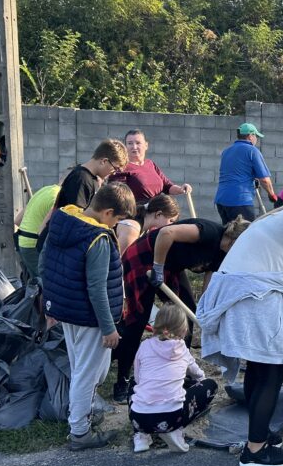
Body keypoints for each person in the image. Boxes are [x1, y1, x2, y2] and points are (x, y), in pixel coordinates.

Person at [196, 184, 283, 466]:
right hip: (252, 296)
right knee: (272, 369)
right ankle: (254, 453)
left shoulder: (272, 222)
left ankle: (259, 435)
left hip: (243, 295)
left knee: (259, 367)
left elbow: (272, 273)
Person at [41, 182, 136, 450]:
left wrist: (50, 306)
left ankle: (81, 414)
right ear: (107, 212)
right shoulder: (98, 238)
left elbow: (45, 263)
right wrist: (108, 328)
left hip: (68, 311)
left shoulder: (65, 218)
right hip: (90, 317)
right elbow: (97, 288)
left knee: (82, 368)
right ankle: (80, 432)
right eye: (118, 219)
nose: (117, 225)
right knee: (87, 373)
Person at [114, 212, 246, 402]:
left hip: (170, 265)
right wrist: (158, 267)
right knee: (137, 320)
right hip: (144, 257)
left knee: (185, 313)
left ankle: (177, 371)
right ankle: (122, 382)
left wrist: (203, 308)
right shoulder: (208, 232)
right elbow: (166, 233)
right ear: (234, 239)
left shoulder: (222, 253)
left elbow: (209, 278)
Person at [129, 303, 219, 454]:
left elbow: (138, 379)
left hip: (140, 418)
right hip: (173, 416)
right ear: (184, 331)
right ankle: (175, 431)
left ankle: (141, 436)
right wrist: (199, 381)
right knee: (211, 385)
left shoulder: (145, 345)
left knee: (133, 384)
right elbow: (198, 375)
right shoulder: (182, 349)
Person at [109, 129, 192, 205]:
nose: (134, 147)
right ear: (125, 146)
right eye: (130, 143)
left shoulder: (150, 164)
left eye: (138, 143)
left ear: (146, 145)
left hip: (158, 212)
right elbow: (118, 197)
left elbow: (168, 186)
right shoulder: (121, 168)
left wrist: (181, 189)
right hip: (138, 215)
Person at [215, 123, 277, 223]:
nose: (256, 139)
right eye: (256, 136)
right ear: (250, 136)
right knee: (246, 234)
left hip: (221, 200)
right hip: (240, 201)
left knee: (228, 234)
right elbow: (265, 180)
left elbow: (236, 170)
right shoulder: (252, 150)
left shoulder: (226, 151)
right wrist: (272, 195)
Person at [13, 178, 62, 281]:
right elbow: (43, 231)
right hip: (34, 245)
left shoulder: (44, 190)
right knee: (46, 284)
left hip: (22, 242)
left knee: (34, 284)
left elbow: (17, 220)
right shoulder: (58, 199)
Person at [115, 193, 181, 254]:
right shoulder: (132, 229)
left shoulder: (145, 229)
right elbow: (119, 260)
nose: (171, 225)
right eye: (171, 220)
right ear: (158, 214)